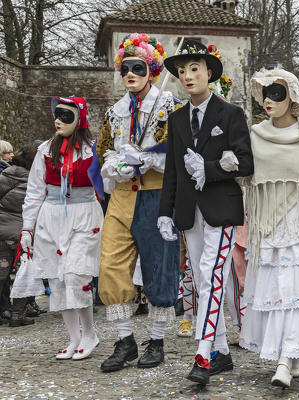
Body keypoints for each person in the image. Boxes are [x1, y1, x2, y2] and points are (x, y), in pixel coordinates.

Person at [158, 39, 253, 385]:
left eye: (194, 69)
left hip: (221, 207)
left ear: (209, 73)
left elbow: (245, 162)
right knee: (201, 280)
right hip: (188, 210)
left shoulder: (231, 114)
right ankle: (223, 353)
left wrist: (210, 168)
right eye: (182, 71)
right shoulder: (178, 118)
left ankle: (203, 353)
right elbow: (171, 170)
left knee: (212, 274)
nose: (187, 76)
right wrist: (164, 211)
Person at [240, 67, 299, 388]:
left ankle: (285, 357)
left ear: (291, 96)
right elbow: (247, 179)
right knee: (278, 290)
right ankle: (290, 354)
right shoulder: (256, 136)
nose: (268, 100)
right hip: (268, 225)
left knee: (297, 292)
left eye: (276, 93)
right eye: (264, 93)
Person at [96, 33, 181, 372]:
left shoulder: (168, 105)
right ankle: (125, 339)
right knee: (110, 265)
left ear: (152, 70)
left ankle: (157, 340)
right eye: (125, 69)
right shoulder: (114, 112)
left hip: (156, 193)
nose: (130, 74)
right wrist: (111, 163)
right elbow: (104, 148)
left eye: (138, 67)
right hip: (121, 195)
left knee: (160, 265)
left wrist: (148, 160)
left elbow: (175, 150)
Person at [17, 96, 103, 359]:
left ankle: (89, 334)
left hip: (85, 215)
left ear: (80, 120)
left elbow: (107, 185)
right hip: (51, 218)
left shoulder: (94, 150)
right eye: (57, 114)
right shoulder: (45, 150)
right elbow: (34, 192)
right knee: (57, 279)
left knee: (76, 274)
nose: (58, 120)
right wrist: (27, 229)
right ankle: (73, 337)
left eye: (66, 116)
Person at [0, 145, 37, 326]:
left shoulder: (7, 174)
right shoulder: (36, 179)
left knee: (2, 274)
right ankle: (17, 314)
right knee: (24, 272)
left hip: (2, 230)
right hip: (23, 233)